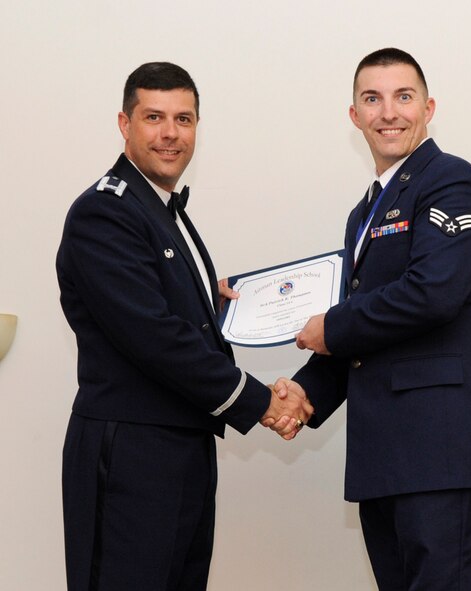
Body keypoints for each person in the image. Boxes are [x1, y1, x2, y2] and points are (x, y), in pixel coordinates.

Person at [56, 62, 312, 591]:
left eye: (184, 118)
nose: (170, 133)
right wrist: (261, 402)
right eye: (154, 117)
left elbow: (167, 316)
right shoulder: (105, 213)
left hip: (180, 445)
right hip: (131, 452)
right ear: (124, 124)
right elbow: (154, 337)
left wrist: (219, 311)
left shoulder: (161, 209)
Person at [275, 48, 471, 590]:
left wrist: (332, 328)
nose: (389, 112)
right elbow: (367, 334)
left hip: (443, 452)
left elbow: (432, 294)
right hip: (386, 456)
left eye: (403, 97)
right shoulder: (364, 213)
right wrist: (302, 393)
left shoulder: (452, 180)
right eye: (373, 99)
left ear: (428, 107)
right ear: (354, 116)